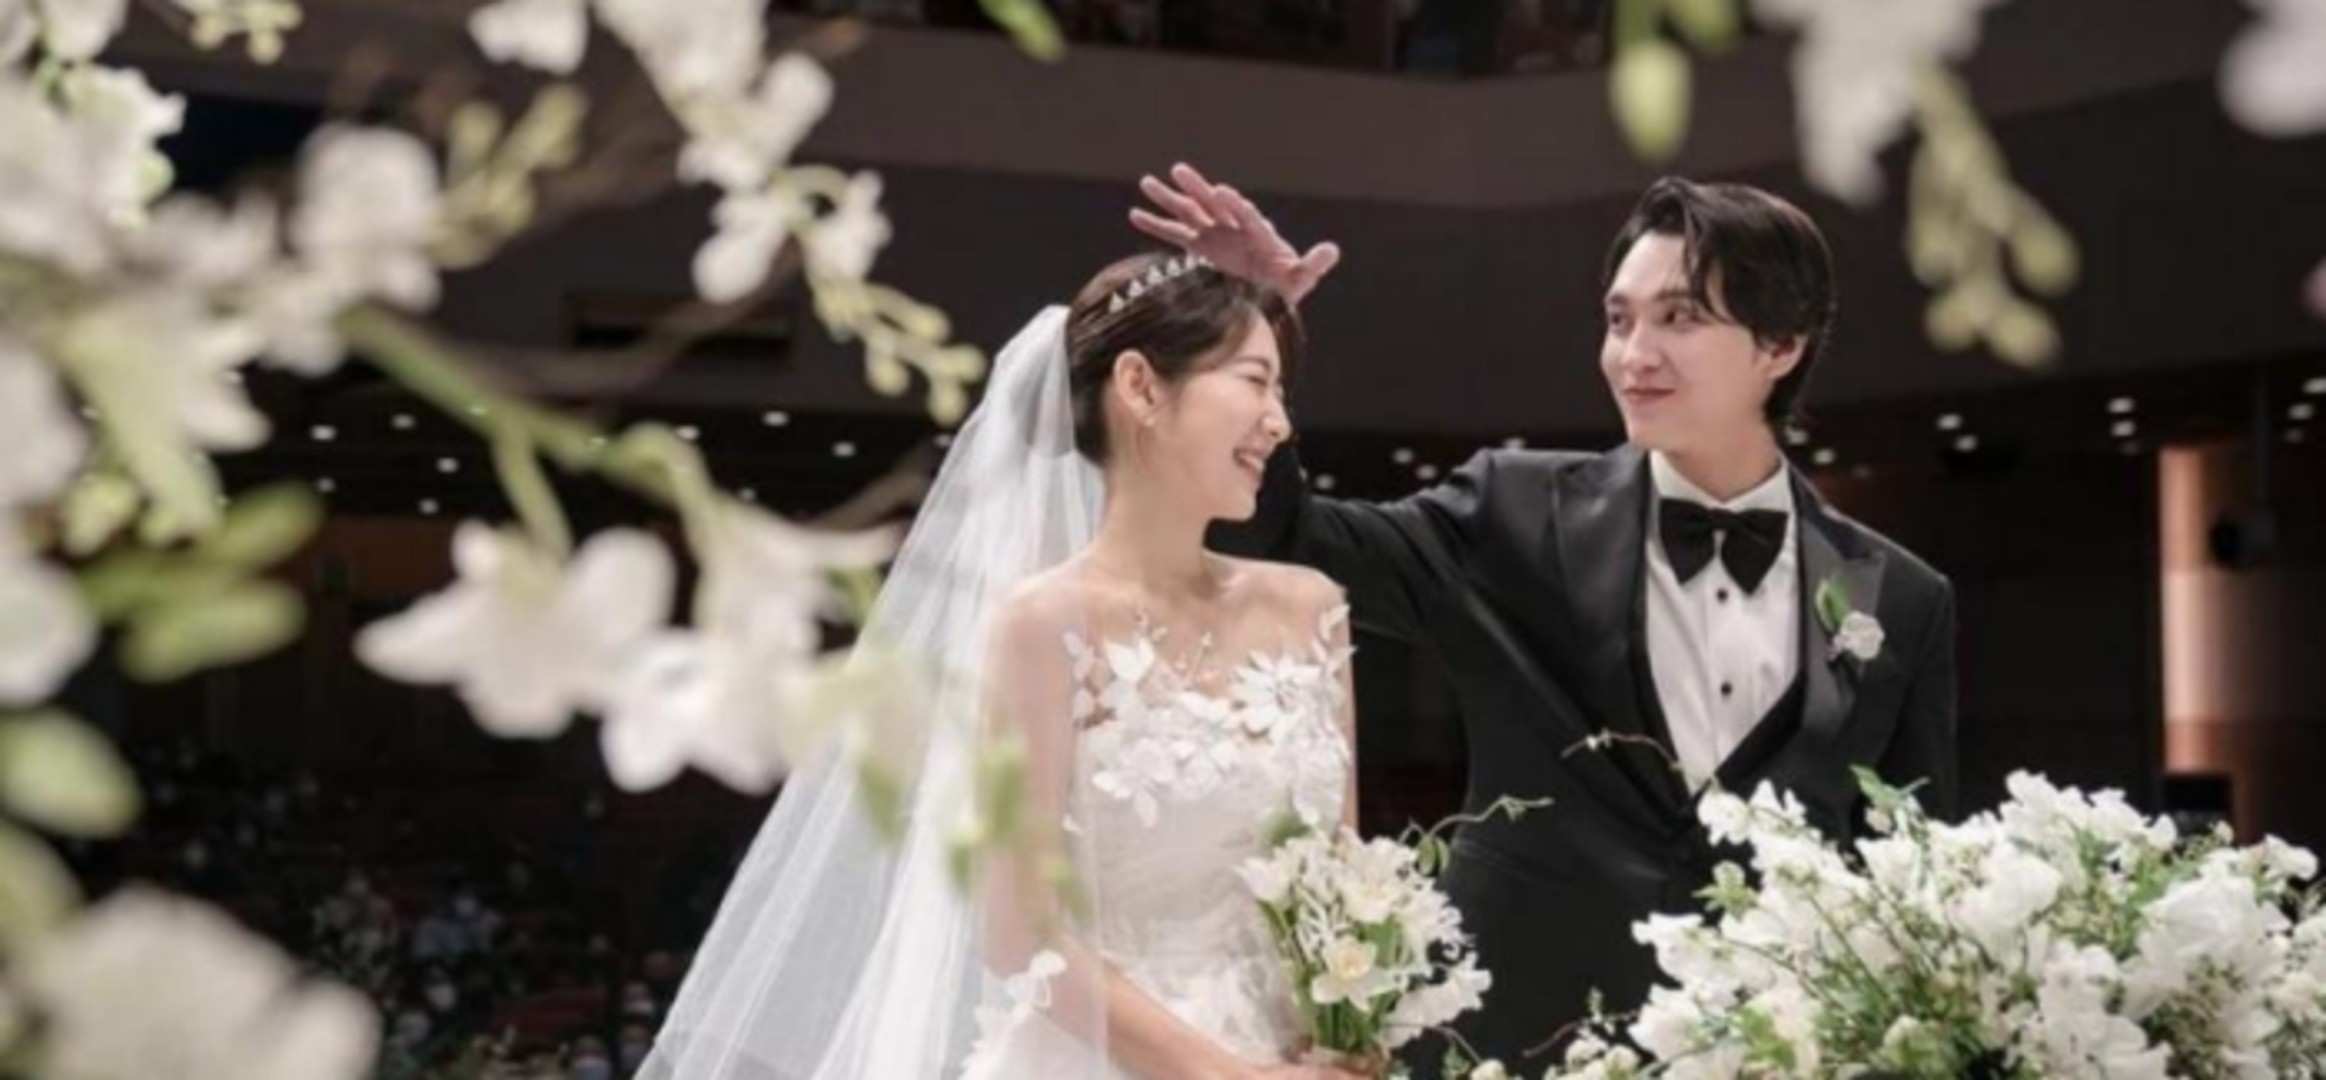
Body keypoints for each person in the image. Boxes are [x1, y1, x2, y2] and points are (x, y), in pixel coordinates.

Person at [1136, 165, 1959, 1072]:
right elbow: (1286, 536)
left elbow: (1908, 883)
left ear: (1782, 344)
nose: (1634, 353)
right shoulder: (1514, 515)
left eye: (1679, 318)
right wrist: (1247, 328)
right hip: (1511, 1042)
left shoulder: (1899, 597)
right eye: (1619, 319)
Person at [643, 252, 1372, 1079]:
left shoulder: (1311, 606)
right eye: (1255, 382)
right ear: (1140, 387)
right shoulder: (1043, 624)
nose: (1279, 423)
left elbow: (1347, 882)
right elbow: (1019, 933)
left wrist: (1357, 1030)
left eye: (1282, 393)